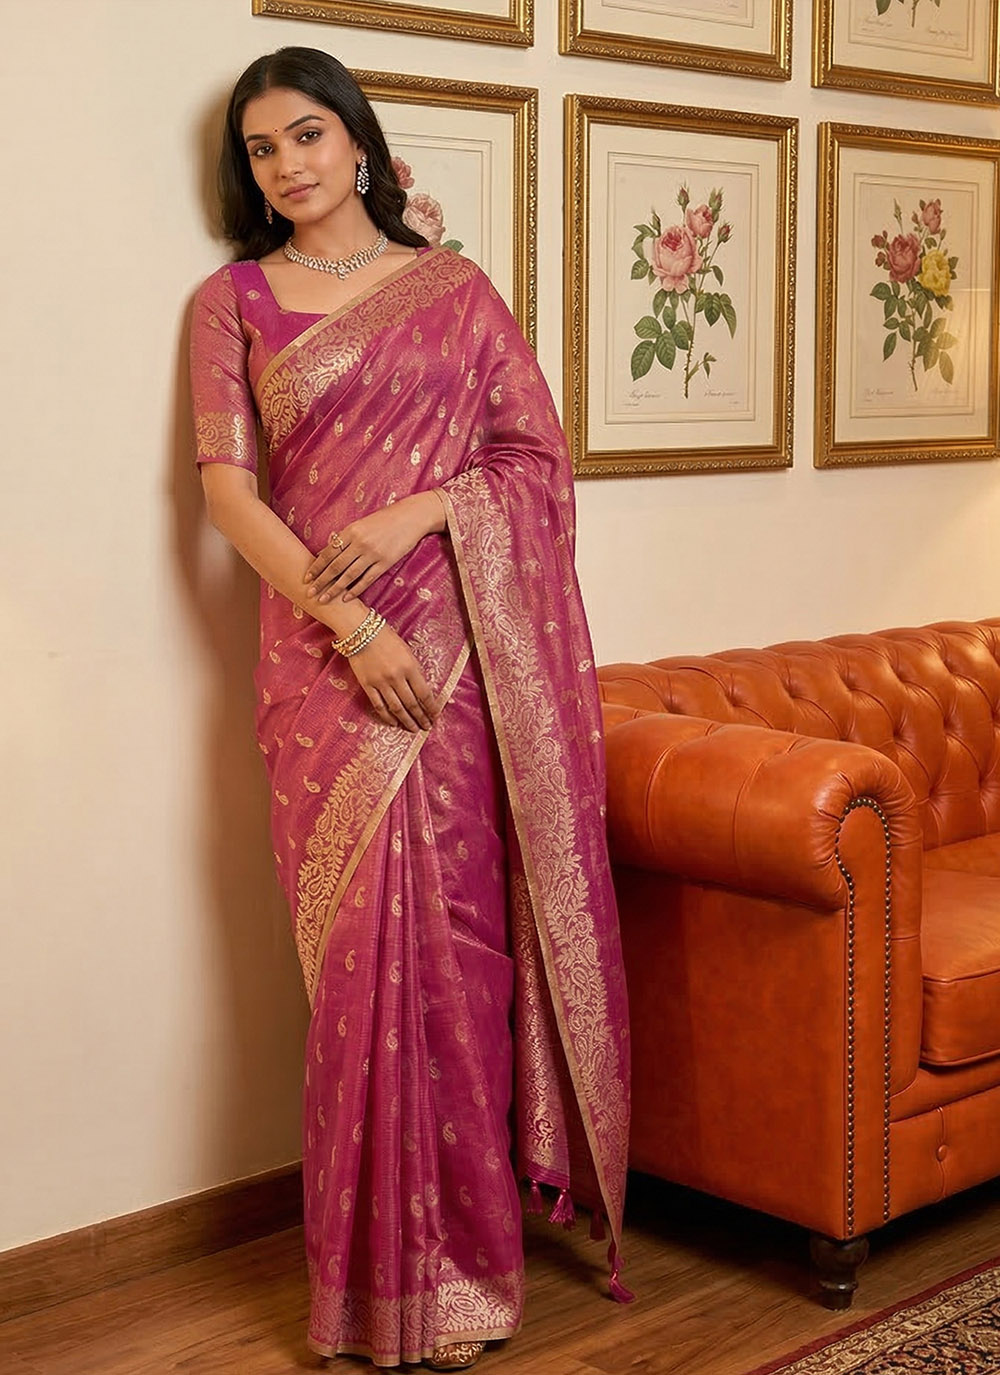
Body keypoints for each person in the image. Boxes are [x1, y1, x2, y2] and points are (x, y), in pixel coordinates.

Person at [189, 46, 631, 1371]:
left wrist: (420, 510)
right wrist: (353, 622)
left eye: (308, 134)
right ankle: (368, 1293)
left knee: (454, 952)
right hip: (326, 668)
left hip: (457, 664)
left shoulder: (456, 292)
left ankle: (465, 1283)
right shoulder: (232, 303)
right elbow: (227, 497)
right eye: (262, 148)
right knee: (356, 970)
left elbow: (536, 463)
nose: (288, 164)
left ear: (359, 140)